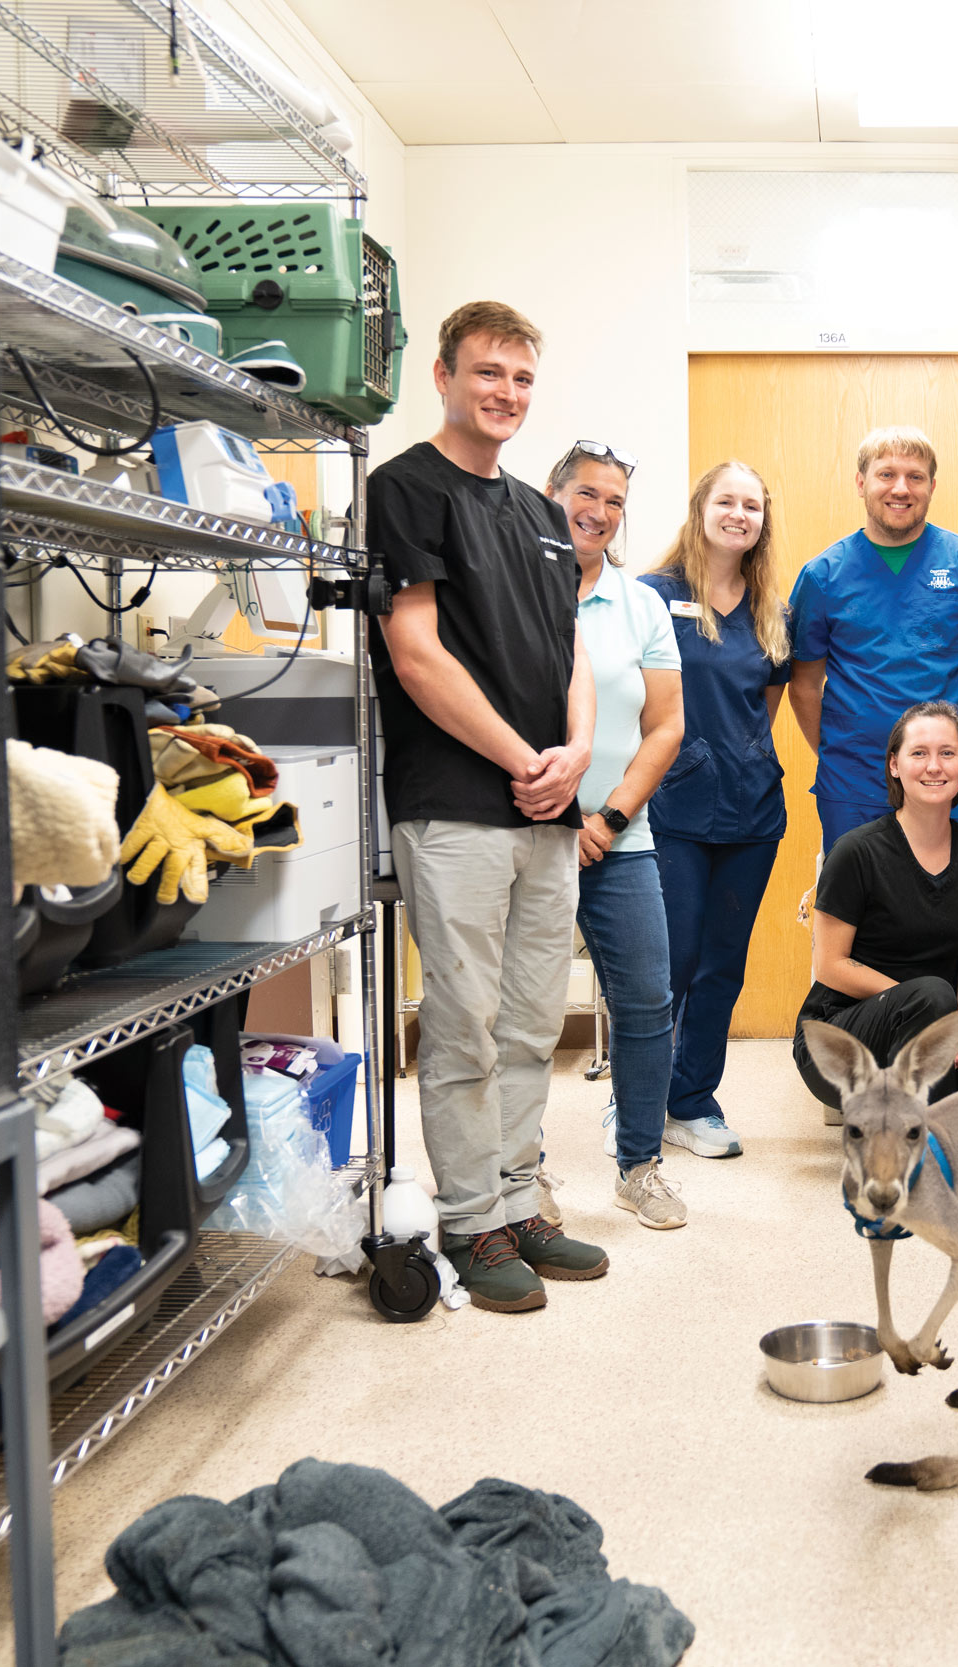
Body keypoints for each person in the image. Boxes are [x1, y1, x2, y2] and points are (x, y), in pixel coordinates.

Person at [369, 301, 608, 1313]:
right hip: (458, 801)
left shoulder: (540, 513)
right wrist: (525, 758)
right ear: (443, 375)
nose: (504, 394)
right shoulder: (404, 490)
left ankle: (516, 1199)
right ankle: (468, 1217)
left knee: (528, 1021)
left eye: (520, 378)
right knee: (462, 1023)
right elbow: (415, 653)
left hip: (545, 806)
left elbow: (574, 652)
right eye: (487, 374)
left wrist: (579, 752)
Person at [547, 441, 694, 1230]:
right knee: (526, 1013)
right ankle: (519, 1170)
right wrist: (559, 818)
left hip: (620, 838)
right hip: (531, 832)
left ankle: (639, 1165)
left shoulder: (641, 605)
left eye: (615, 502)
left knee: (644, 1002)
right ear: (553, 492)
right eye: (587, 494)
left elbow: (665, 724)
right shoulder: (515, 587)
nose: (599, 512)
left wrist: (605, 818)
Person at [792, 701, 958, 1114]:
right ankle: (927, 1158)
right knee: (930, 994)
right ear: (894, 765)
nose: (934, 766)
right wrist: (934, 1017)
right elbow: (829, 966)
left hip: (937, 1024)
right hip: (840, 1039)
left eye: (947, 753)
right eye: (918, 753)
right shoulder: (856, 852)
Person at [642, 460, 791, 1160]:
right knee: (669, 961)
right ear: (700, 508)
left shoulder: (770, 610)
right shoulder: (653, 596)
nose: (739, 514)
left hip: (753, 811)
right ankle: (641, 1096)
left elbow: (764, 709)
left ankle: (692, 1100)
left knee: (723, 965)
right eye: (726, 501)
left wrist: (736, 759)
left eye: (752, 506)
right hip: (674, 806)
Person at [787, 427, 958, 853]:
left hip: (945, 785)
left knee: (950, 908)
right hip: (854, 783)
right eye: (886, 475)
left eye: (916, 477)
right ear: (861, 483)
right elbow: (803, 686)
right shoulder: (822, 576)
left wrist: (957, 753)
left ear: (932, 486)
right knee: (856, 912)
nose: (901, 488)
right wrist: (841, 754)